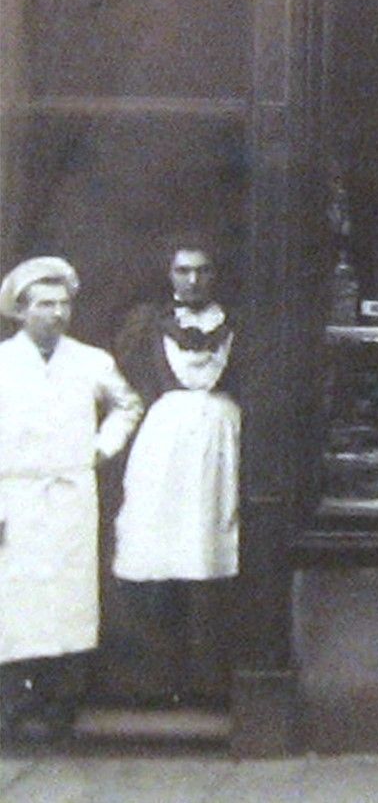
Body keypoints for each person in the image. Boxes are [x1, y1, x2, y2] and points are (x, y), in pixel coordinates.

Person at [0, 257, 142, 741]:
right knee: (15, 598)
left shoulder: (90, 361)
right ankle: (14, 703)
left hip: (69, 494)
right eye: (45, 305)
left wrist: (100, 448)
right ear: (21, 311)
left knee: (67, 597)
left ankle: (60, 702)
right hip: (14, 495)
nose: (57, 314)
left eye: (63, 304)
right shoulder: (3, 363)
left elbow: (127, 405)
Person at [111, 237, 240, 703]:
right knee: (160, 543)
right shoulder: (149, 324)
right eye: (183, 270)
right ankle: (159, 680)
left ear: (215, 275)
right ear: (169, 275)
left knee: (210, 544)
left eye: (203, 270)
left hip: (222, 439)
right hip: (165, 443)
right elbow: (125, 384)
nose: (193, 280)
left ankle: (212, 681)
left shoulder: (235, 324)